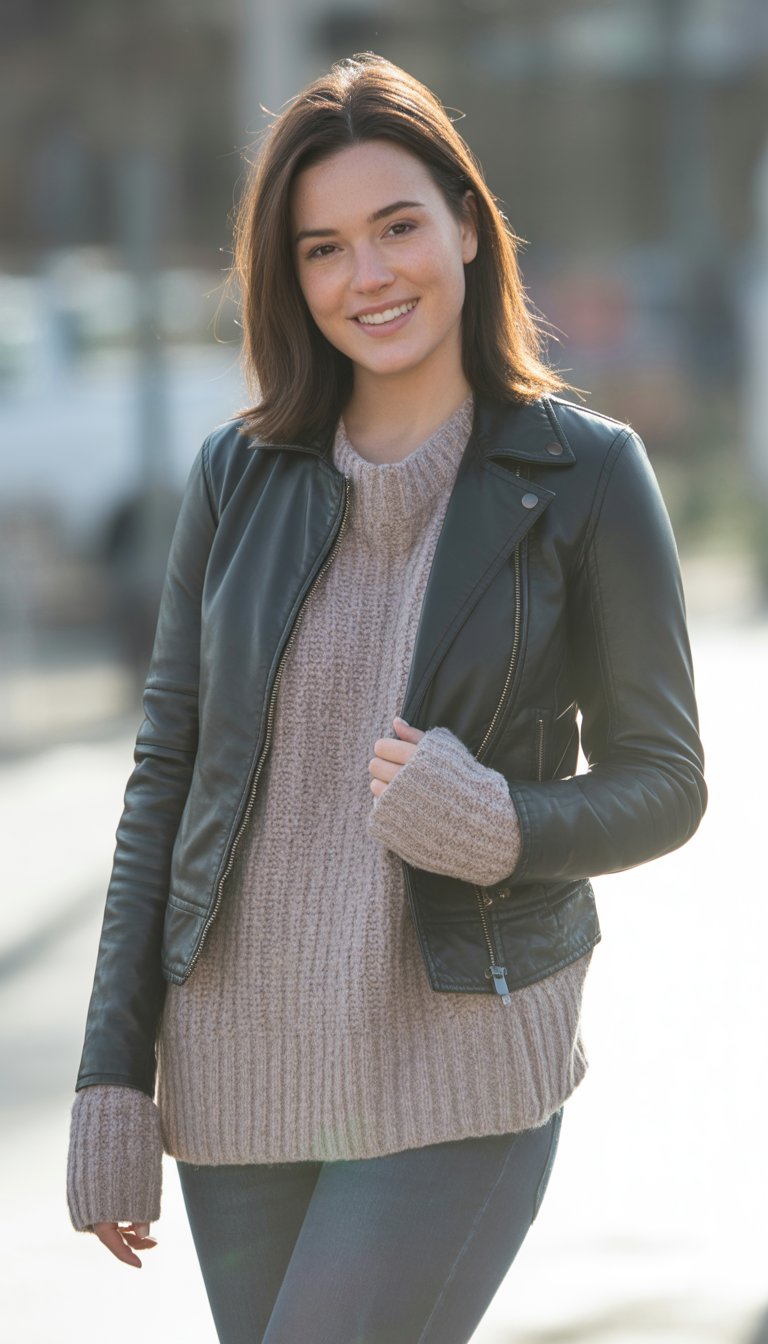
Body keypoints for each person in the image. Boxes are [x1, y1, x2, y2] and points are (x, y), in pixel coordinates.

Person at [66, 52, 707, 1344]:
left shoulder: (584, 475)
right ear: (289, 278)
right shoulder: (235, 479)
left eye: (398, 226)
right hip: (237, 1072)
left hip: (459, 1058)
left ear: (467, 225)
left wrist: (507, 821)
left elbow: (668, 780)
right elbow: (166, 780)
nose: (368, 276)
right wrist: (110, 1077)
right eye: (323, 248)